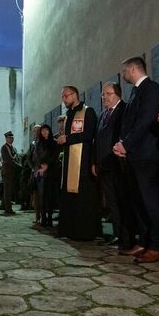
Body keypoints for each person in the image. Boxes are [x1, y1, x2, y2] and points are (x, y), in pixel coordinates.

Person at [114, 57, 159, 262]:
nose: (123, 75)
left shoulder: (151, 88)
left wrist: (125, 144)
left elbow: (145, 120)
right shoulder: (137, 91)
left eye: (124, 71)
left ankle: (157, 245)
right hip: (134, 155)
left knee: (151, 201)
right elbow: (129, 124)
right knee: (139, 202)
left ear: (134, 69)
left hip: (147, 154)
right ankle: (144, 241)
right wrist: (122, 145)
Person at [57, 86, 101, 240]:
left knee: (84, 196)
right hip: (70, 162)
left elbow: (89, 134)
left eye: (65, 96)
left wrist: (67, 139)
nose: (64, 99)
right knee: (69, 194)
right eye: (62, 97)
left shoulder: (88, 111)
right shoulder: (68, 115)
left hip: (83, 162)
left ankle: (84, 232)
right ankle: (69, 230)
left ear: (74, 95)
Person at [94, 82, 127, 246]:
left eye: (108, 93)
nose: (104, 97)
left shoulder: (125, 110)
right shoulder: (102, 115)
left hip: (119, 164)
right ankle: (117, 233)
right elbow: (97, 140)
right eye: (102, 94)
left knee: (122, 200)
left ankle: (126, 235)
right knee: (112, 201)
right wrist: (95, 161)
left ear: (117, 94)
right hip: (104, 165)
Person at [32, 124, 59, 227]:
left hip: (51, 172)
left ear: (49, 131)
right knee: (42, 196)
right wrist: (41, 166)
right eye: (43, 130)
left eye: (46, 130)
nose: (44, 132)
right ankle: (43, 217)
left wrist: (47, 165)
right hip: (41, 173)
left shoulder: (54, 143)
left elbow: (55, 156)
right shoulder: (38, 144)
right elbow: (36, 157)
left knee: (50, 196)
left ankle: (50, 218)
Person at [0, 131, 21, 215]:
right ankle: (8, 209)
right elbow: (9, 160)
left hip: (13, 172)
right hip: (7, 172)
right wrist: (20, 167)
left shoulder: (13, 148)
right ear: (6, 138)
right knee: (7, 190)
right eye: (9, 137)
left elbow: (16, 158)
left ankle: (3, 205)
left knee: (9, 190)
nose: (11, 139)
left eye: (12, 137)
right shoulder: (4, 148)